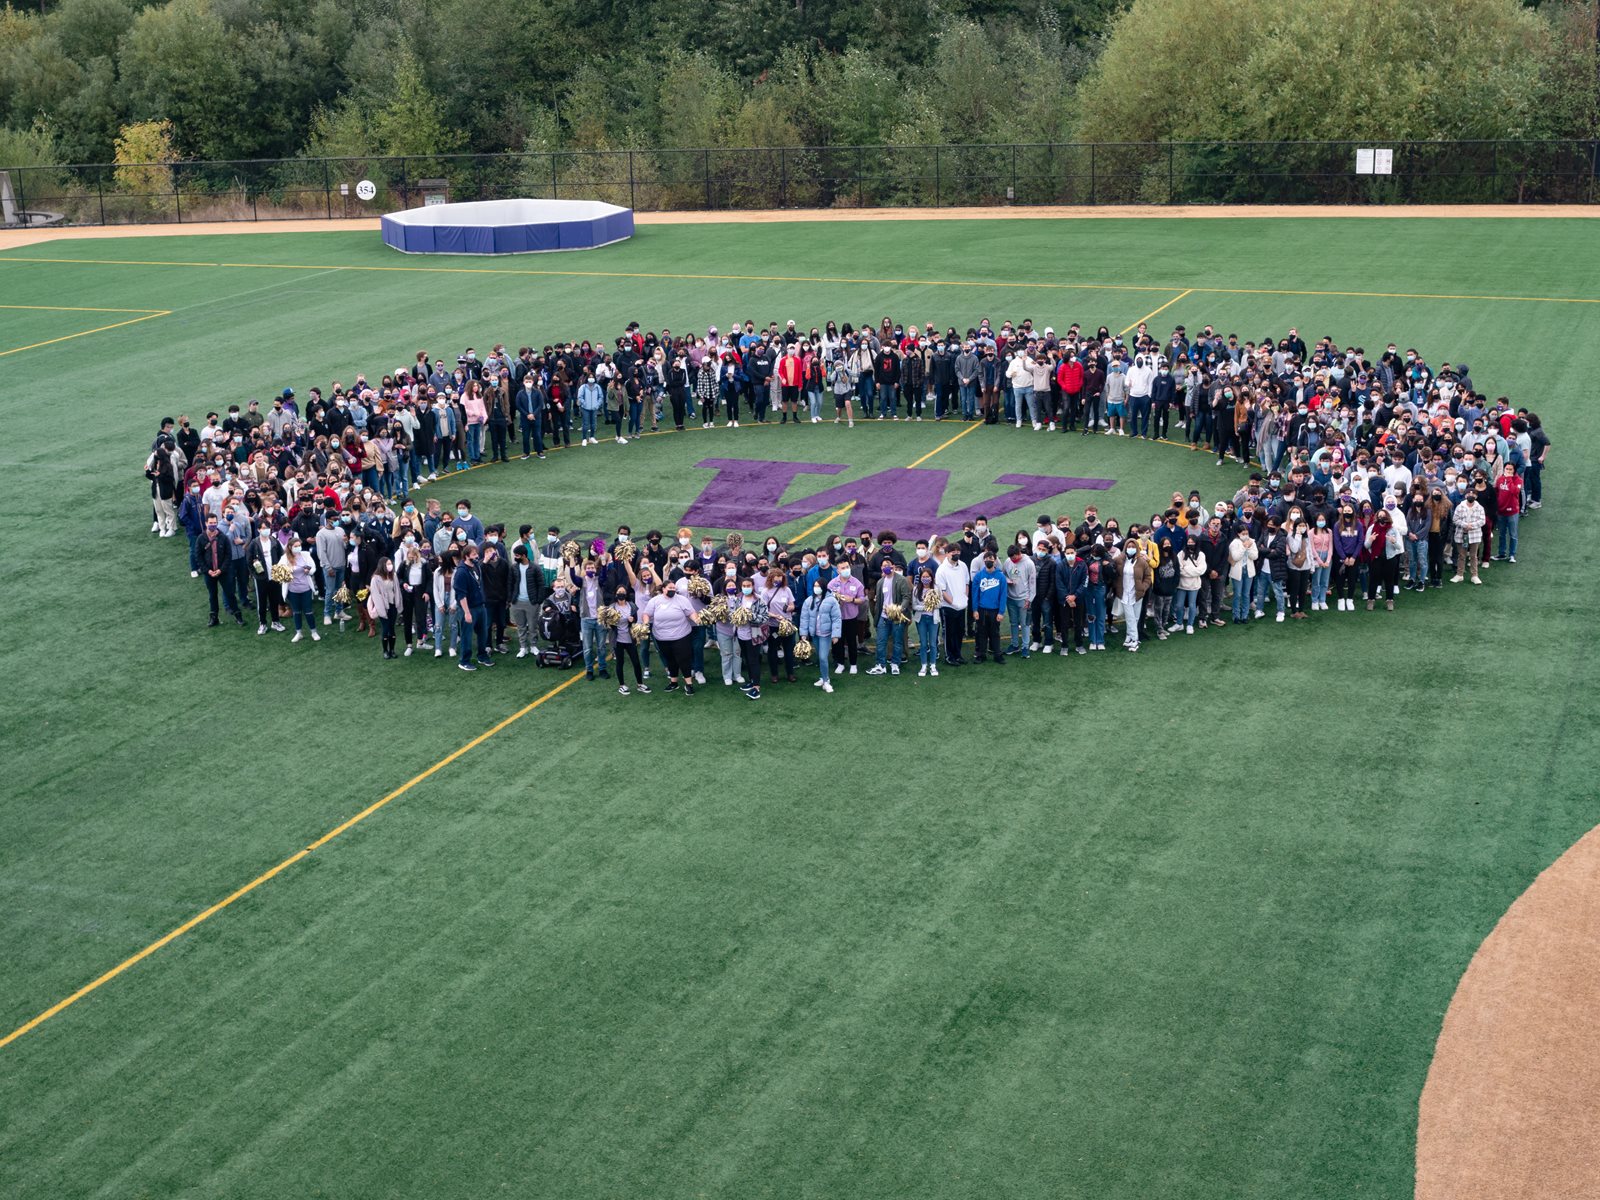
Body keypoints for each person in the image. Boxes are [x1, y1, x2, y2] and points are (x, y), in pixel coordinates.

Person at [641, 577, 698, 694]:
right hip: (662, 637)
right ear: (663, 589)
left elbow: (691, 612)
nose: (672, 590)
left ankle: (689, 684)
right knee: (670, 660)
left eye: (674, 588)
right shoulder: (655, 601)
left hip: (681, 636)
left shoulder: (682, 600)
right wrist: (645, 624)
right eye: (670, 588)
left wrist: (697, 620)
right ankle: (673, 683)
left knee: (683, 659)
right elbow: (646, 613)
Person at [453, 541, 492, 670]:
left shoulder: (476, 566)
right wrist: (467, 612)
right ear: (466, 556)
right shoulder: (461, 572)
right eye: (474, 554)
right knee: (467, 635)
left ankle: (482, 655)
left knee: (483, 633)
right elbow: (461, 595)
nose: (477, 556)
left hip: (480, 606)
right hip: (469, 608)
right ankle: (464, 661)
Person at [799, 574, 842, 692]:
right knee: (819, 656)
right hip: (815, 634)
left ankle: (826, 680)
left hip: (826, 634)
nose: (816, 588)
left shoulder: (831, 600)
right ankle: (822, 677)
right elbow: (804, 618)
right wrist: (803, 633)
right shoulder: (809, 601)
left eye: (818, 586)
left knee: (823, 657)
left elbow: (836, 618)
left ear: (823, 587)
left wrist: (835, 635)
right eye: (814, 586)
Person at [868, 559, 911, 674]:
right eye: (883, 566)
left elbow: (906, 597)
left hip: (897, 616)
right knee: (881, 641)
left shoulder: (901, 580)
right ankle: (880, 665)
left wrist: (900, 609)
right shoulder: (880, 582)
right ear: (881, 568)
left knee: (897, 641)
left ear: (893, 566)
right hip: (883, 616)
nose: (886, 567)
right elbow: (879, 601)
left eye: (888, 565)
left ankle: (895, 664)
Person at [969, 551, 1007, 663]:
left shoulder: (1001, 577)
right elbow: (974, 594)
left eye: (991, 558)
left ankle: (997, 655)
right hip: (982, 610)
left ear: (995, 560)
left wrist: (1001, 612)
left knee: (995, 633)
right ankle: (981, 655)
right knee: (981, 633)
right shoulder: (978, 576)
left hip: (995, 611)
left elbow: (1003, 595)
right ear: (983, 561)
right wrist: (975, 610)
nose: (988, 560)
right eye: (986, 559)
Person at [609, 587, 648, 695]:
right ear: (616, 594)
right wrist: (613, 621)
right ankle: (621, 685)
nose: (621, 594)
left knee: (636, 662)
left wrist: (633, 620)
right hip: (618, 640)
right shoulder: (612, 607)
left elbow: (635, 620)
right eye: (619, 592)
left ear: (626, 594)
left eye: (623, 592)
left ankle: (640, 684)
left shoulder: (631, 606)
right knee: (620, 663)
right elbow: (609, 625)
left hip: (630, 639)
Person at [934, 549, 970, 665]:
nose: (955, 554)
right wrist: (953, 603)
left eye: (958, 552)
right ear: (947, 554)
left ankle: (958, 654)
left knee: (960, 632)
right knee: (950, 632)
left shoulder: (963, 566)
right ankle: (949, 656)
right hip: (948, 607)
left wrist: (964, 599)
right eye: (952, 552)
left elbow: (966, 583)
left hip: (961, 605)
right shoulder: (941, 570)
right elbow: (942, 590)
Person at [284, 535, 320, 641]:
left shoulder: (306, 555)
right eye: (296, 546)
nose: (298, 548)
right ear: (290, 547)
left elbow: (313, 567)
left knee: (308, 611)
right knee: (296, 612)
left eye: (299, 545)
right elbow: (280, 571)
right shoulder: (285, 558)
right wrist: (287, 571)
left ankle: (314, 632)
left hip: (305, 589)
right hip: (292, 590)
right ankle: (298, 633)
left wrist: (309, 571)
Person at [367, 556, 402, 658]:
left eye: (390, 563)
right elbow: (375, 595)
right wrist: (381, 609)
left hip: (393, 605)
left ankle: (392, 650)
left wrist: (398, 604)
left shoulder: (393, 576)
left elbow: (397, 590)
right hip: (382, 607)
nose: (390, 566)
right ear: (382, 565)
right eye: (387, 564)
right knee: (385, 629)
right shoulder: (375, 579)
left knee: (392, 628)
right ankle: (385, 651)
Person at [1451, 489, 1486, 585]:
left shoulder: (1480, 508)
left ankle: (1474, 576)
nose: (1471, 495)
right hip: (1461, 534)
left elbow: (1482, 521)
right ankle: (1459, 574)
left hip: (1475, 535)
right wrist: (1465, 525)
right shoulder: (1459, 507)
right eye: (1469, 493)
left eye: (1473, 494)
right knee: (1461, 555)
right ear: (1465, 495)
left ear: (1476, 496)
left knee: (1473, 556)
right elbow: (1455, 519)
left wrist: (1471, 526)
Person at [1228, 524, 1259, 624]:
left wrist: (1249, 548)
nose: (1245, 535)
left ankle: (1245, 615)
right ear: (1238, 534)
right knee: (1237, 594)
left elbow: (1255, 556)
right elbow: (1236, 557)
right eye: (1243, 533)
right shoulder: (1234, 543)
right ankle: (1236, 615)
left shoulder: (1252, 542)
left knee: (1246, 594)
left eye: (1247, 533)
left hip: (1248, 572)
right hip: (1237, 571)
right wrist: (1244, 547)